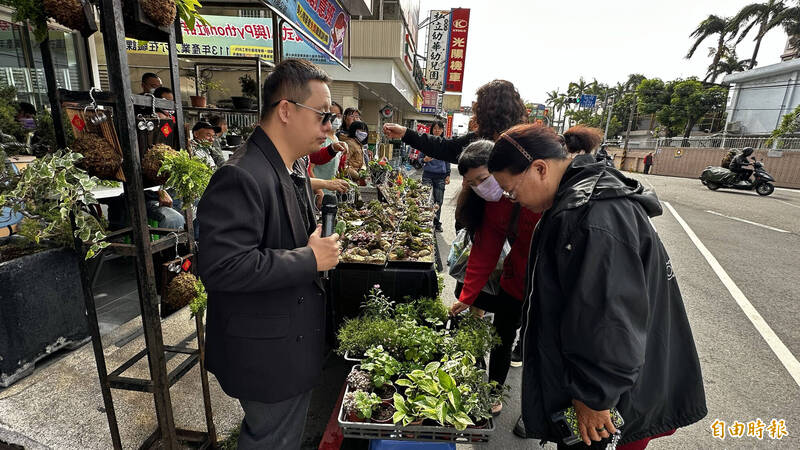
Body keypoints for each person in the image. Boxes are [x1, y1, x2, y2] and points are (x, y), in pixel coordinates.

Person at [487, 124, 706, 449]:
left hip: (610, 402)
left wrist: (594, 397)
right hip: (612, 389)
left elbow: (611, 319)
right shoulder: (581, 200)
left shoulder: (594, 216)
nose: (514, 200)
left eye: (511, 190)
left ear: (540, 169)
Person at [198, 58, 341, 450]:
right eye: (323, 116)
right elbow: (224, 267)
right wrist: (311, 259)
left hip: (285, 344)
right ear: (285, 110)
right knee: (272, 441)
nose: (329, 127)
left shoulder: (286, 167)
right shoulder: (242, 174)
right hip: (267, 353)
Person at [450, 140, 541, 415]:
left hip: (544, 282)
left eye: (484, 179)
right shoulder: (492, 204)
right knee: (503, 333)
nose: (481, 187)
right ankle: (493, 392)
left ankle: (534, 412)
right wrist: (466, 297)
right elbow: (485, 250)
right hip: (513, 279)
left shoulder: (534, 195)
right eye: (472, 183)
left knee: (538, 343)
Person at [382, 80, 527, 163]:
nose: (476, 111)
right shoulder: (478, 138)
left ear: (491, 110)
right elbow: (445, 147)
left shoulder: (524, 144)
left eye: (480, 106)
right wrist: (405, 133)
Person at [421, 121, 451, 232]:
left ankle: (436, 222)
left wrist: (448, 174)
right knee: (426, 199)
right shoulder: (426, 142)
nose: (437, 130)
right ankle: (425, 221)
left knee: (439, 201)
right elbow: (419, 159)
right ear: (431, 130)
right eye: (435, 128)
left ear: (442, 130)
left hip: (440, 177)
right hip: (427, 175)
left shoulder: (445, 144)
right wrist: (424, 160)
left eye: (439, 128)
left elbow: (448, 160)